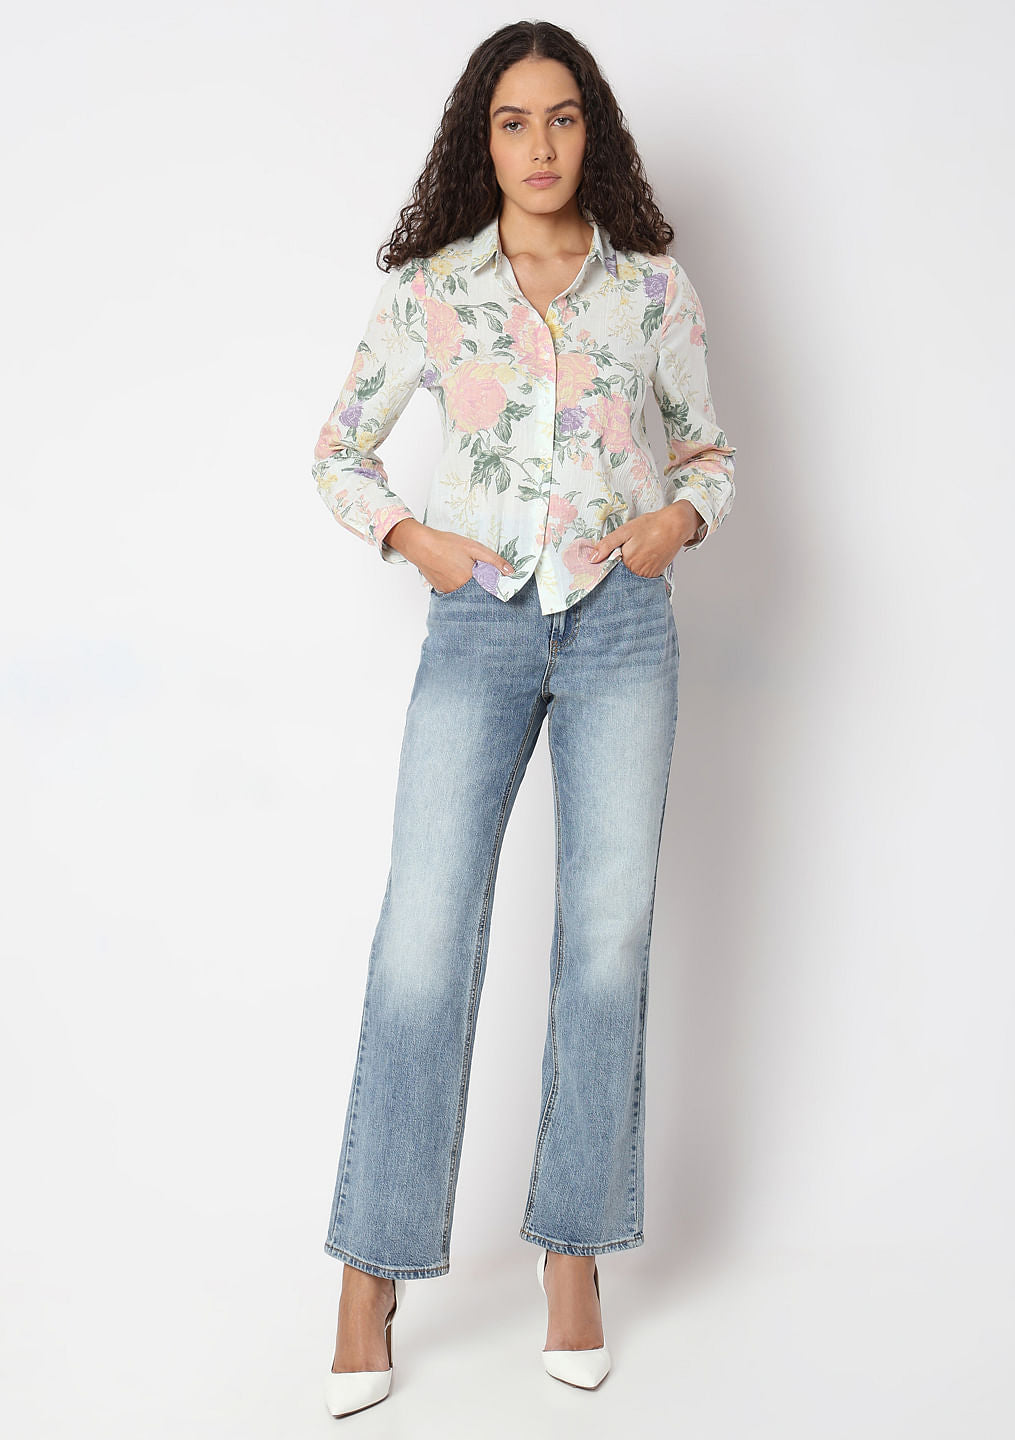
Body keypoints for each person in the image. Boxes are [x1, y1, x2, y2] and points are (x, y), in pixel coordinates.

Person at [312, 19, 736, 1416]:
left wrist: (676, 521)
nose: (540, 145)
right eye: (513, 122)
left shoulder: (651, 289)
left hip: (622, 627)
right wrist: (417, 542)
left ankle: (574, 1257)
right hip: (480, 624)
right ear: (478, 140)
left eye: (562, 118)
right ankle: (369, 1273)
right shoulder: (433, 292)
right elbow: (339, 452)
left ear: (590, 131)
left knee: (606, 938)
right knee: (423, 935)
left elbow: (709, 453)